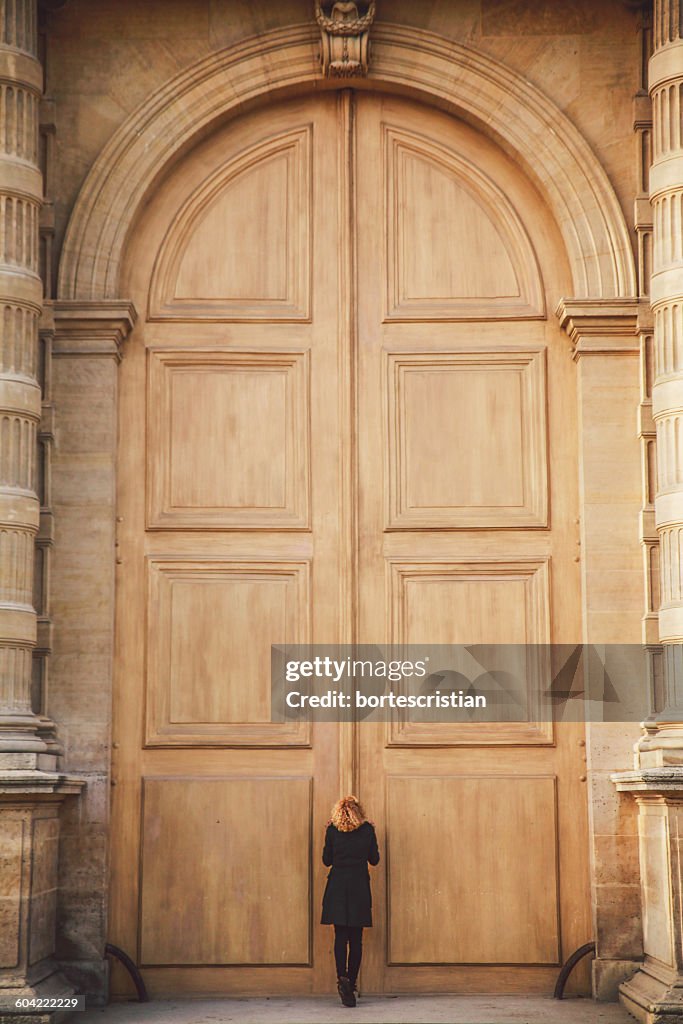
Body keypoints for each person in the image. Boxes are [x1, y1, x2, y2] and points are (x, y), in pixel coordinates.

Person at [321, 795, 380, 1008]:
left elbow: (327, 861)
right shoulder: (367, 831)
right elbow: (374, 859)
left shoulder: (332, 831)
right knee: (356, 940)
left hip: (337, 887)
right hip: (359, 889)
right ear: (359, 812)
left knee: (340, 937)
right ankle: (351, 984)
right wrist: (370, 832)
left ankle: (342, 979)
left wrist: (330, 833)